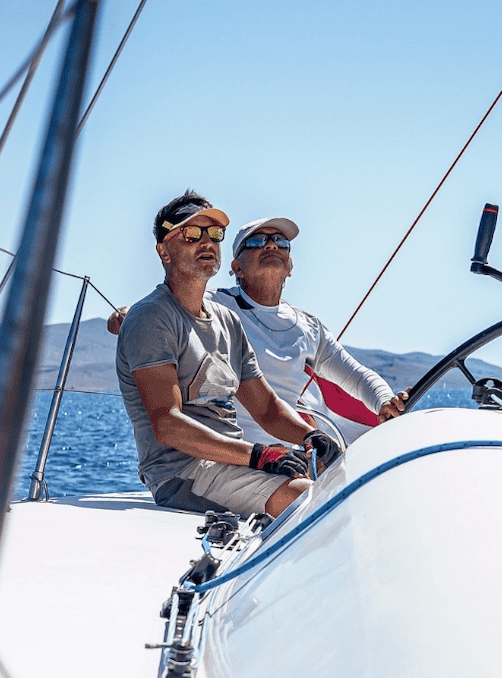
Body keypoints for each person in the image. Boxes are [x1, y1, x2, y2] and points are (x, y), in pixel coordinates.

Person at [114, 191, 341, 516]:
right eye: (191, 233)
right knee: (310, 500)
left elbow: (266, 409)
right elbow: (167, 423)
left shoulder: (227, 322)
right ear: (164, 251)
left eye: (214, 234)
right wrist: (258, 456)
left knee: (343, 485)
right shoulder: (152, 318)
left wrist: (311, 435)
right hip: (181, 473)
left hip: (232, 462)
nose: (206, 242)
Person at [108, 215, 409, 446]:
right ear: (236, 267)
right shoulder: (214, 305)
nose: (271, 245)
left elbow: (357, 376)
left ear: (290, 265)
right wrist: (128, 315)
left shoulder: (309, 327)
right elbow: (148, 313)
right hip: (235, 455)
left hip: (297, 454)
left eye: (281, 242)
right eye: (257, 242)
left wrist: (384, 402)